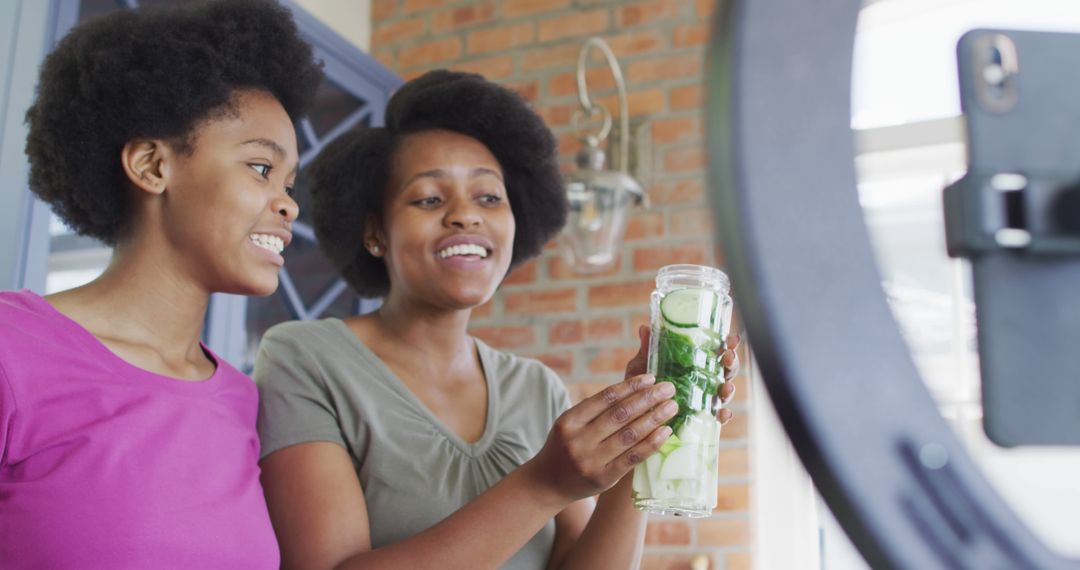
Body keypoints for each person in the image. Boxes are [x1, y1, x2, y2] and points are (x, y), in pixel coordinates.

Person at [254, 69, 740, 570]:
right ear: (375, 231)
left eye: (489, 197)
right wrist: (542, 484)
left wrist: (643, 439)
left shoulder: (536, 388)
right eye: (429, 199)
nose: (467, 216)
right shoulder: (305, 358)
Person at [0, 1, 322, 567]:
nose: (288, 204)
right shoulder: (11, 348)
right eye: (261, 168)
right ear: (152, 166)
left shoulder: (242, 402)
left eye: (290, 182)